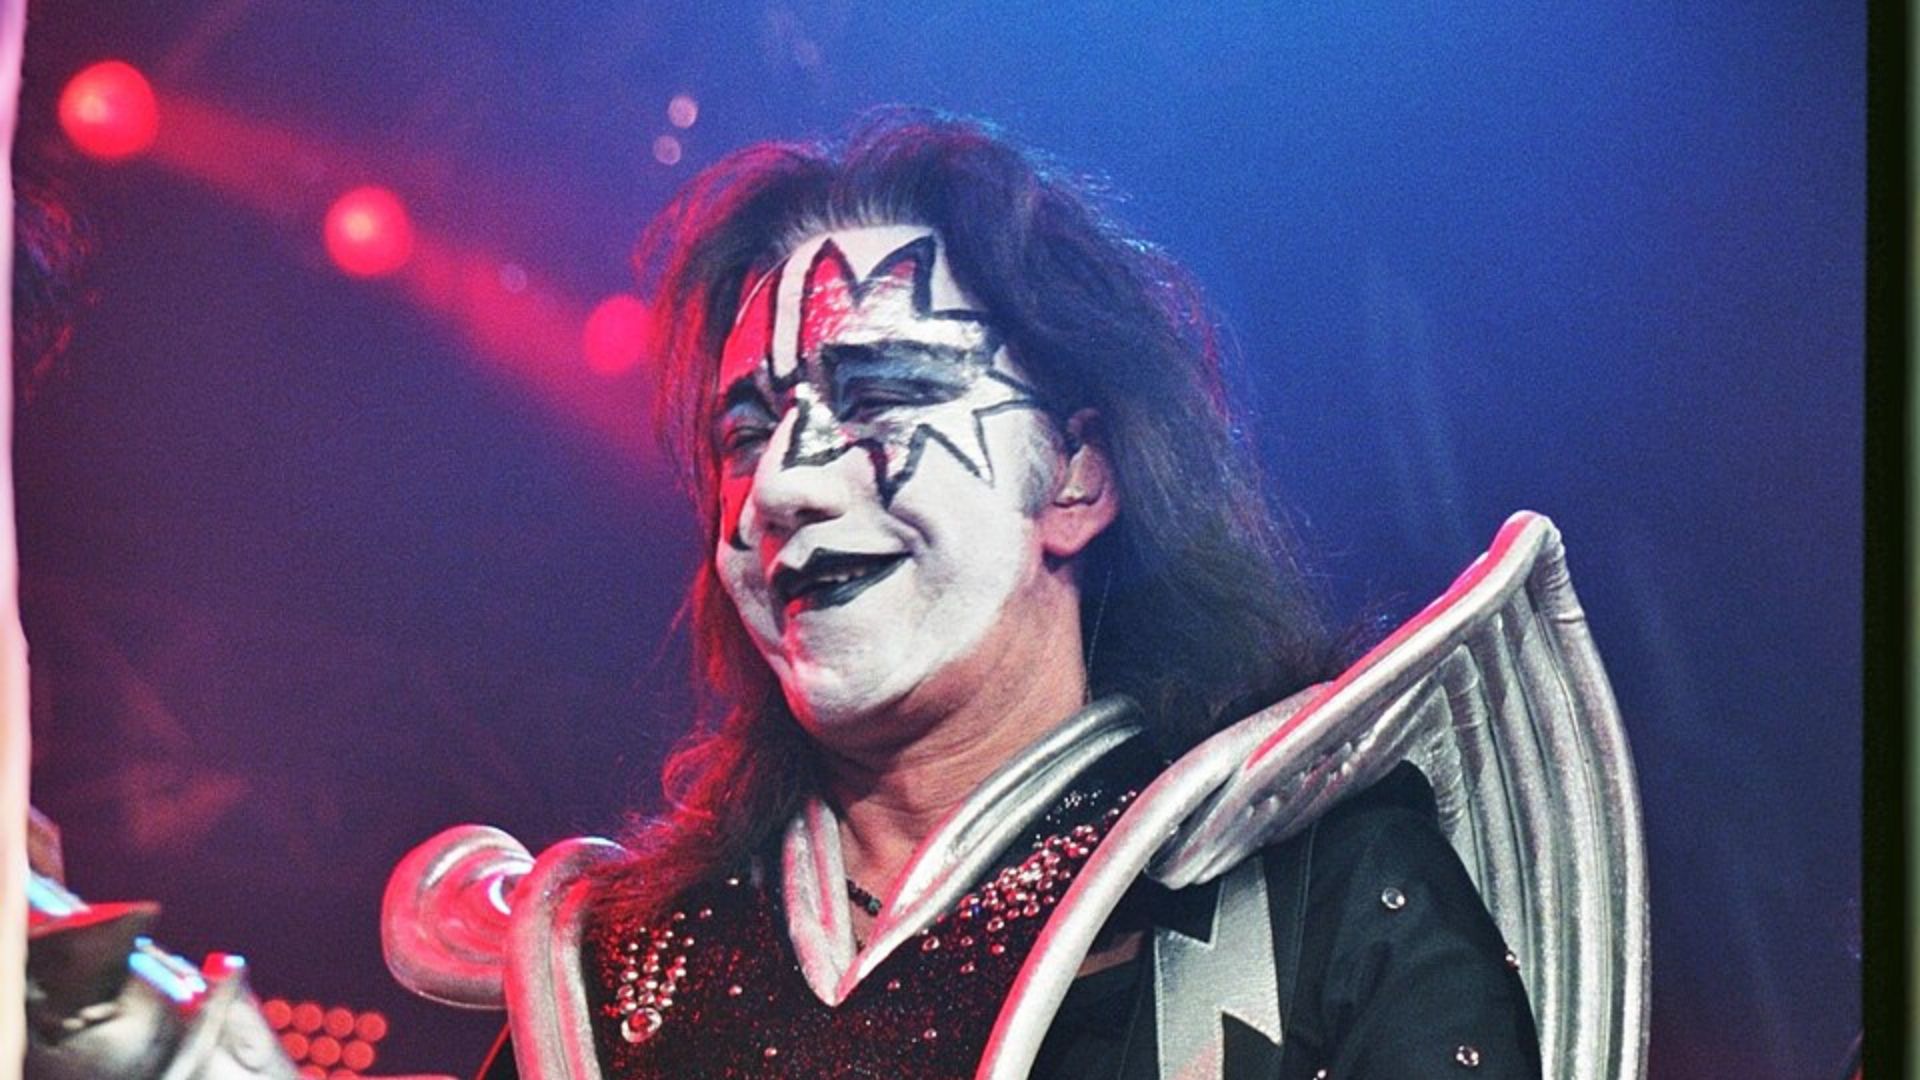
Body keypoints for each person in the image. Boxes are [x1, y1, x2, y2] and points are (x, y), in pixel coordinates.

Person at [389, 108, 1648, 1080]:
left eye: (882, 392)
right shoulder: (612, 982)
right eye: (746, 431)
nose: (781, 485)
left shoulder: (1313, 883)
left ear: (1078, 474)